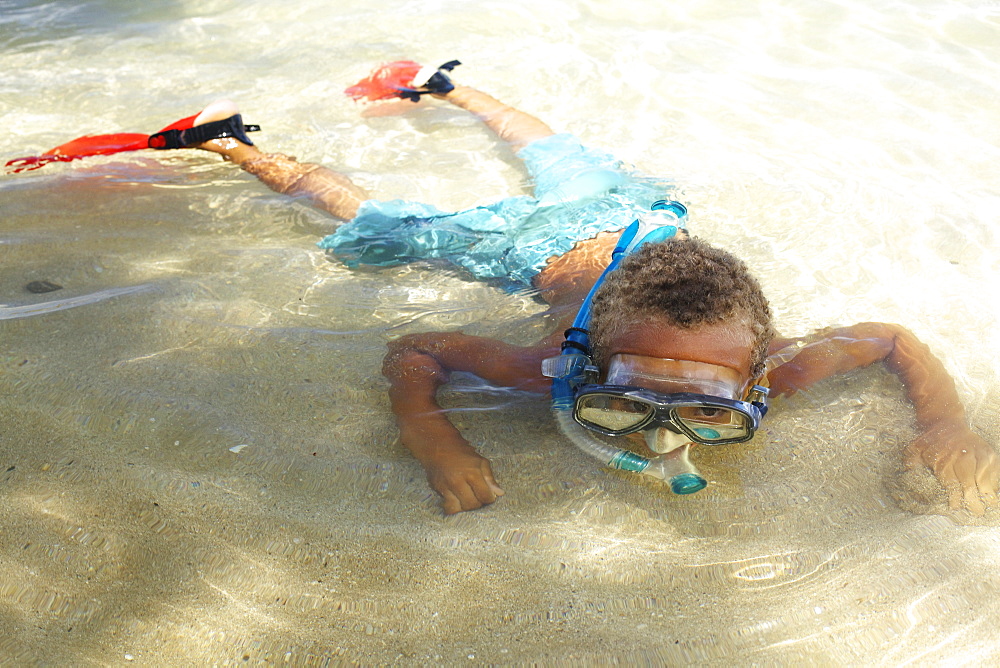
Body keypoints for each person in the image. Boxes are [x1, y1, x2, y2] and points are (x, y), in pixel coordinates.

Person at [25, 63, 1000, 516]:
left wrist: (942, 422)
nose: (657, 421)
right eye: (626, 394)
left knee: (553, 148)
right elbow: (417, 351)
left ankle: (449, 88)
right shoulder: (546, 364)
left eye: (698, 403)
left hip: (642, 215)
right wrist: (431, 428)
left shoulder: (778, 369)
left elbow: (890, 339)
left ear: (754, 375)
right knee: (365, 216)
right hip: (539, 252)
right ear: (582, 361)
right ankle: (229, 141)